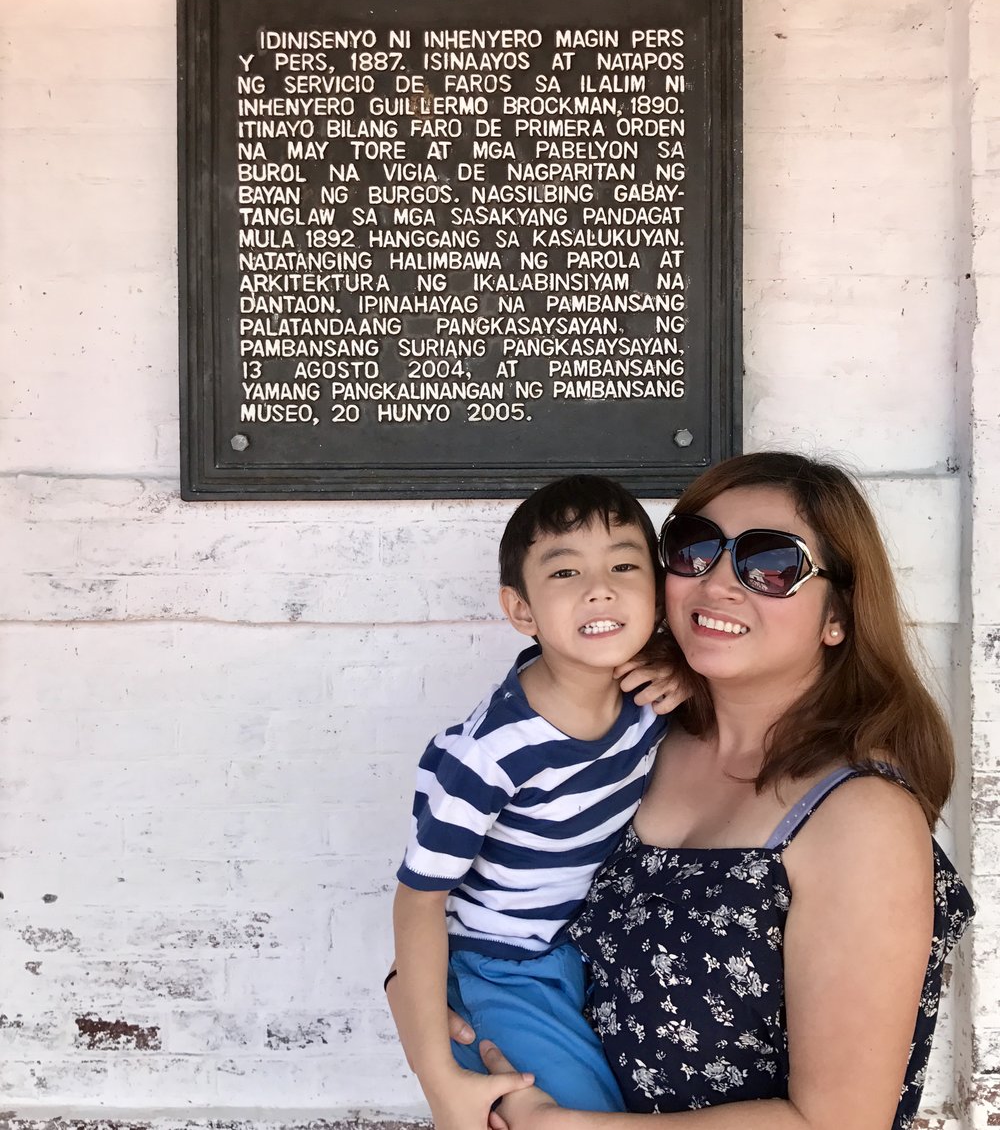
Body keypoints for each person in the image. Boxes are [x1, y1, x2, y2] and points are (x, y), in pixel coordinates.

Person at [458, 452, 974, 1130]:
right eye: (694, 548)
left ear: (837, 617)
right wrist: (431, 1016)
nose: (719, 582)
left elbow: (839, 1122)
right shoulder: (633, 739)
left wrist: (564, 1127)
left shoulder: (858, 819)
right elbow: (489, 897)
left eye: (773, 564)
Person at [391, 475, 686, 1130]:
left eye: (625, 565)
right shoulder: (489, 754)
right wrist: (438, 1074)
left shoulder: (651, 696)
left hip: (582, 949)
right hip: (503, 968)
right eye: (565, 572)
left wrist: (682, 667)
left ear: (659, 594)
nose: (600, 587)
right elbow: (418, 899)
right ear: (521, 610)